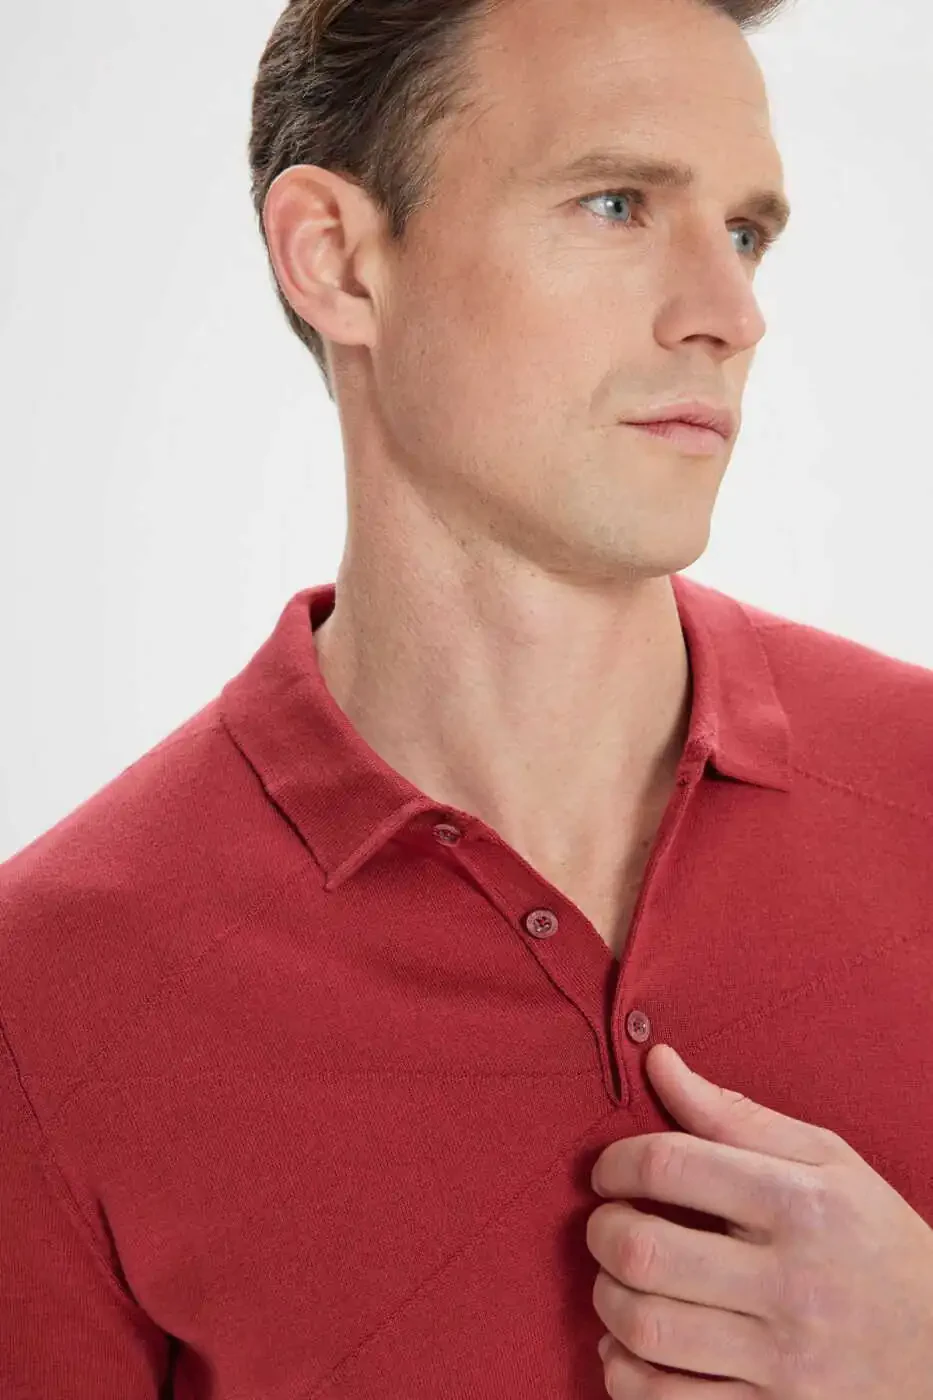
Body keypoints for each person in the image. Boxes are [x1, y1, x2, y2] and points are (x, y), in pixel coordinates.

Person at [2, 0, 931, 1395]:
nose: (730, 315)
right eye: (617, 205)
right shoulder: (47, 997)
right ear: (338, 259)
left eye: (746, 232)